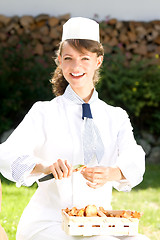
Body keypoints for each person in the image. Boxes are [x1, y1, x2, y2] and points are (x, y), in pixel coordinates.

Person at [0, 17, 150, 240]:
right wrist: (45, 167)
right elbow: (6, 155)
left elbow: (134, 157)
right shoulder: (44, 112)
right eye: (68, 58)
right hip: (49, 221)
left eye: (85, 58)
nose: (76, 66)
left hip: (99, 221)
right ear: (60, 61)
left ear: (98, 61)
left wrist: (113, 173)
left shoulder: (115, 116)